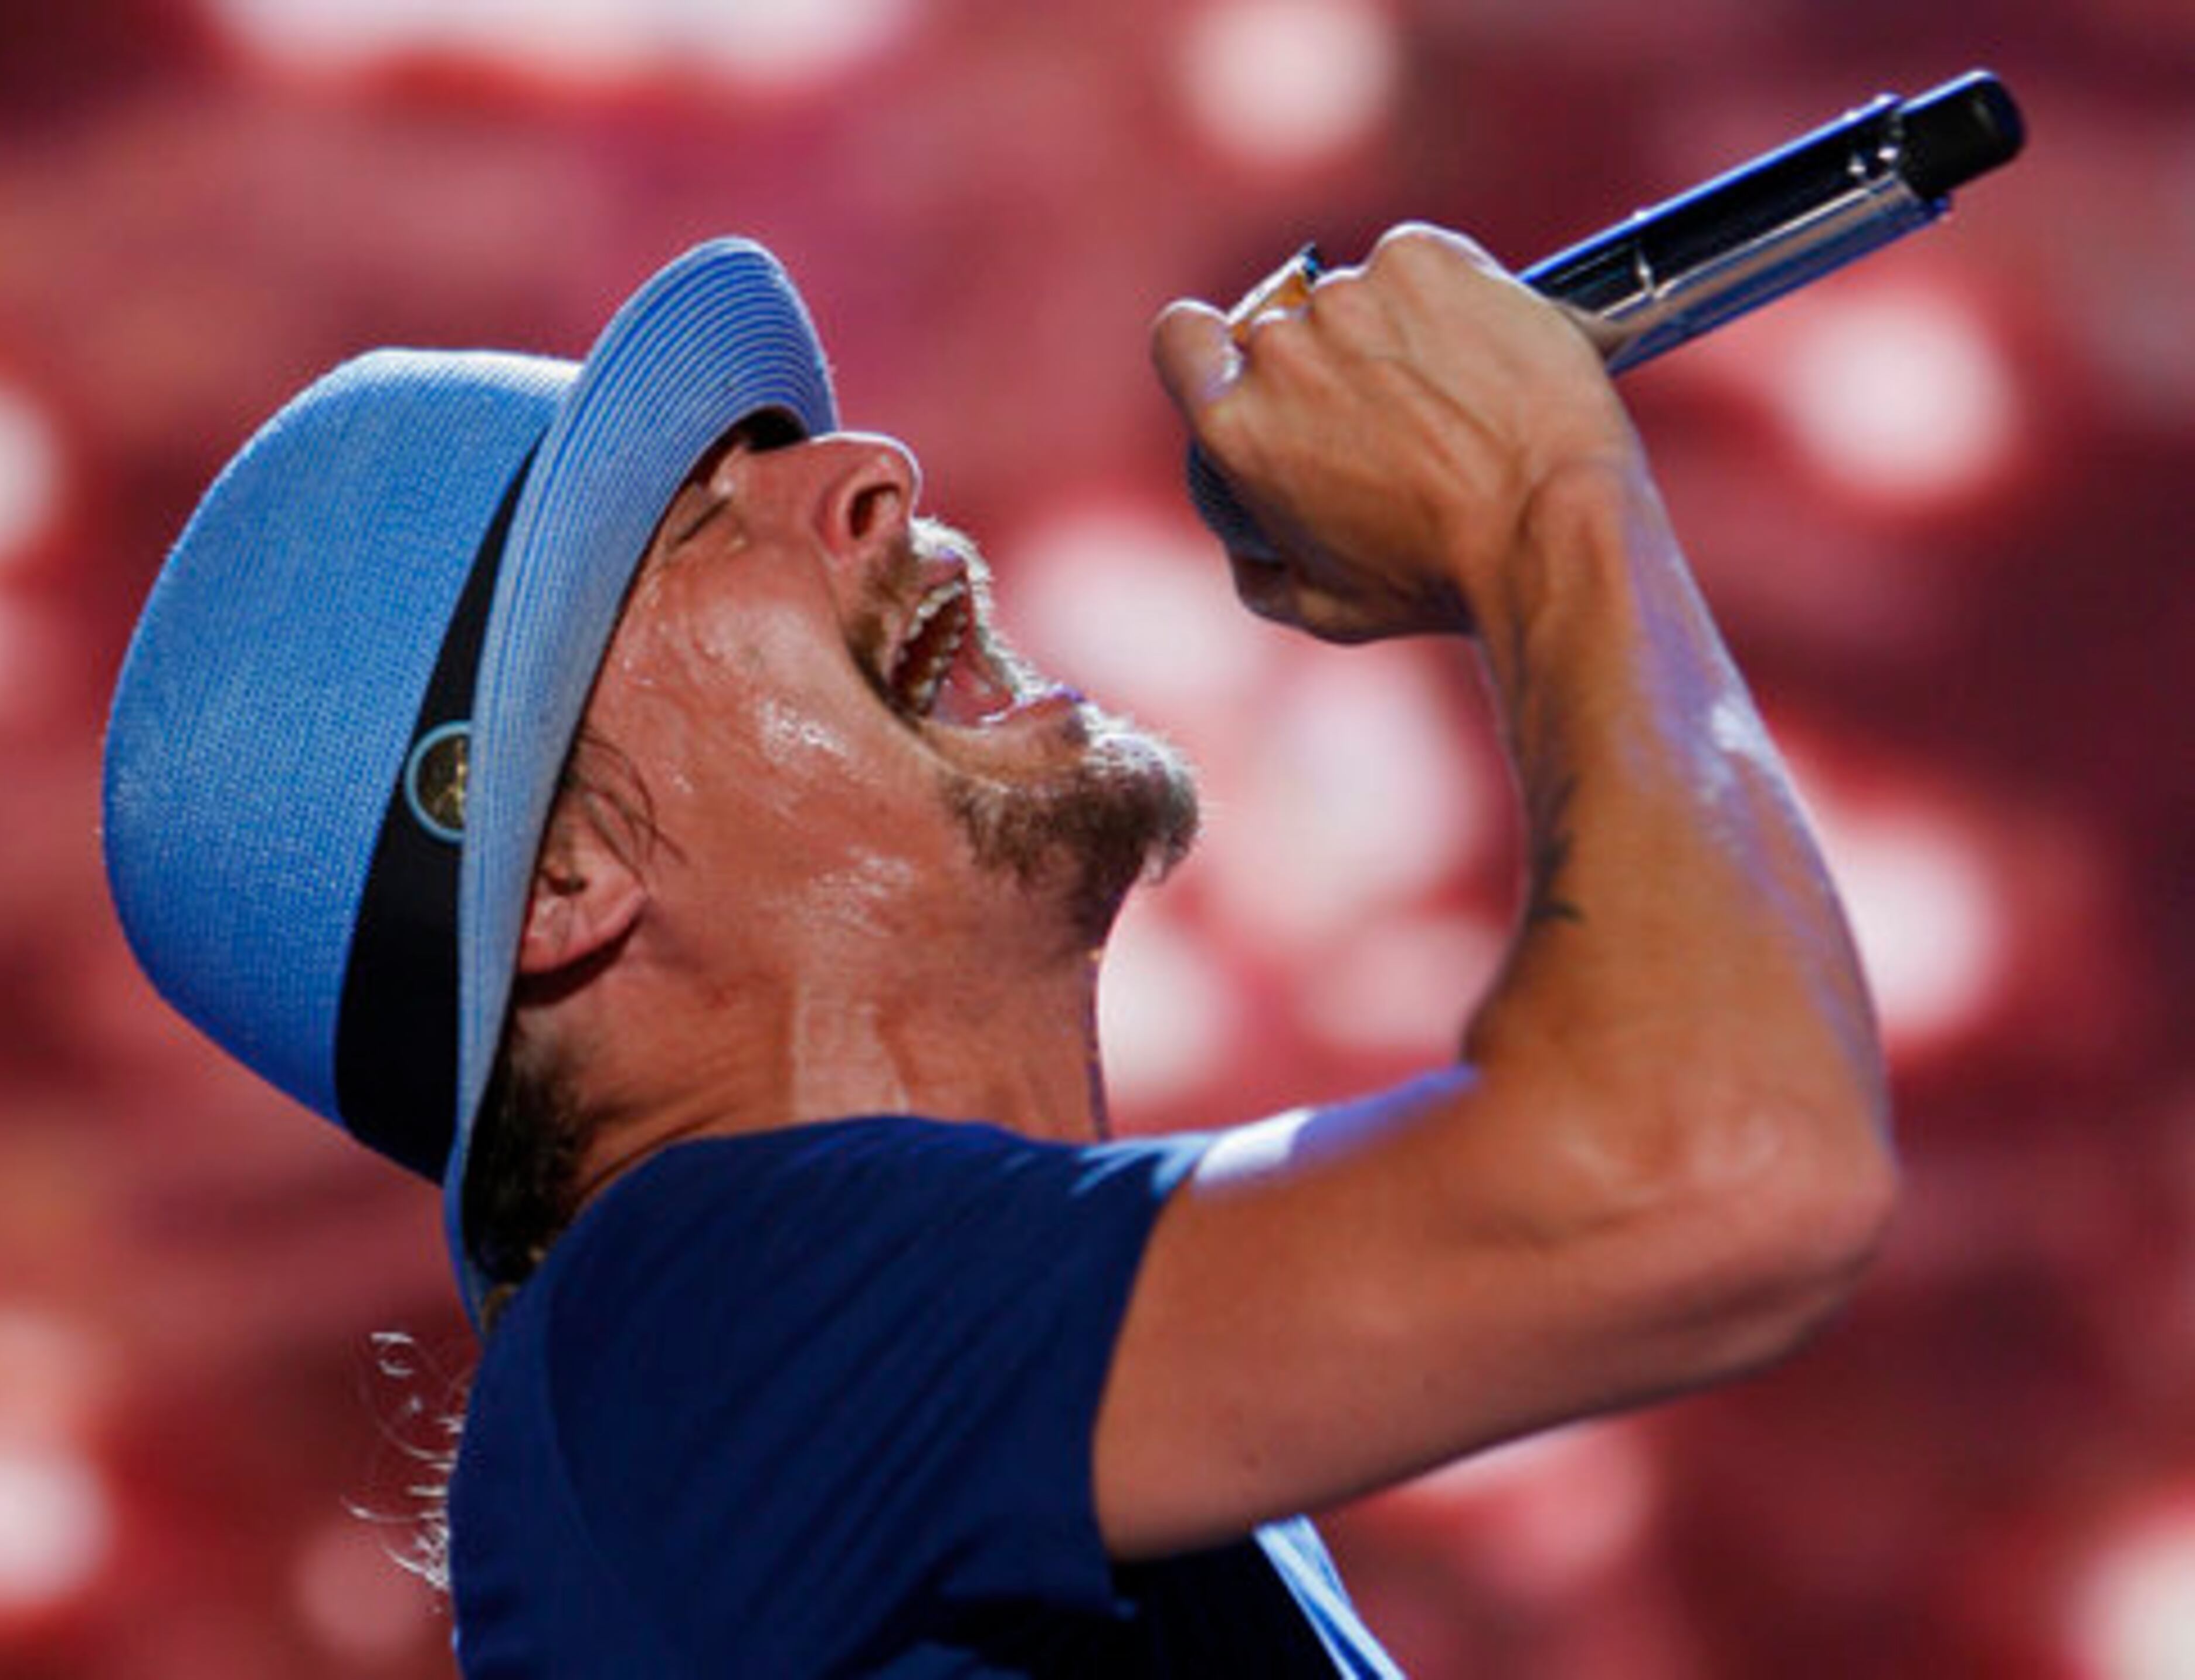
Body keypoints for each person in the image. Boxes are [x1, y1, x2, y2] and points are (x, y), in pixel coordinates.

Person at [104, 228, 1896, 1676]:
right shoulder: (696, 1318)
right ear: (559, 871)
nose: (875, 469)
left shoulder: (1037, 1429)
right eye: (705, 519)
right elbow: (1719, 1166)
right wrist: (1538, 498)